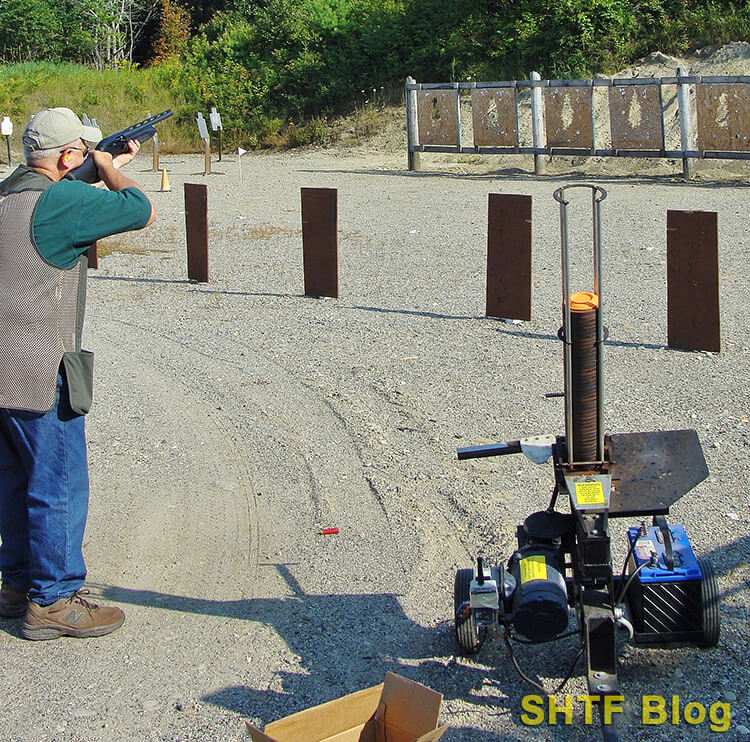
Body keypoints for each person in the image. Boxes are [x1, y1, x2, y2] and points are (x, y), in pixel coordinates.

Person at [0, 107, 156, 640]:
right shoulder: (61, 201)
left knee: (14, 481)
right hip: (41, 372)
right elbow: (139, 209)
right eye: (81, 152)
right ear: (69, 155)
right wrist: (110, 167)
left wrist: (93, 165)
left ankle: (16, 585)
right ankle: (54, 600)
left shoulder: (7, 195)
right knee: (58, 484)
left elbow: (47, 202)